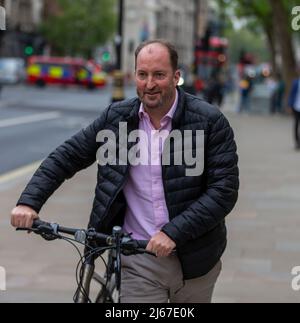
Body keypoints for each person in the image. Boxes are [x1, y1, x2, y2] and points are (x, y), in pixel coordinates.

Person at [10, 39, 239, 303]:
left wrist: (173, 232)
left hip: (197, 259)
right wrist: (29, 202)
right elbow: (67, 156)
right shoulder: (117, 119)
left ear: (176, 77)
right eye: (143, 74)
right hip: (138, 257)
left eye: (159, 75)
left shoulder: (209, 121)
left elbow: (223, 191)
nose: (149, 84)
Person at [288, 71, 300, 150]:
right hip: (296, 107)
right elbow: (292, 94)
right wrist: (289, 105)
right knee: (296, 124)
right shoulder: (296, 82)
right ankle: (297, 142)